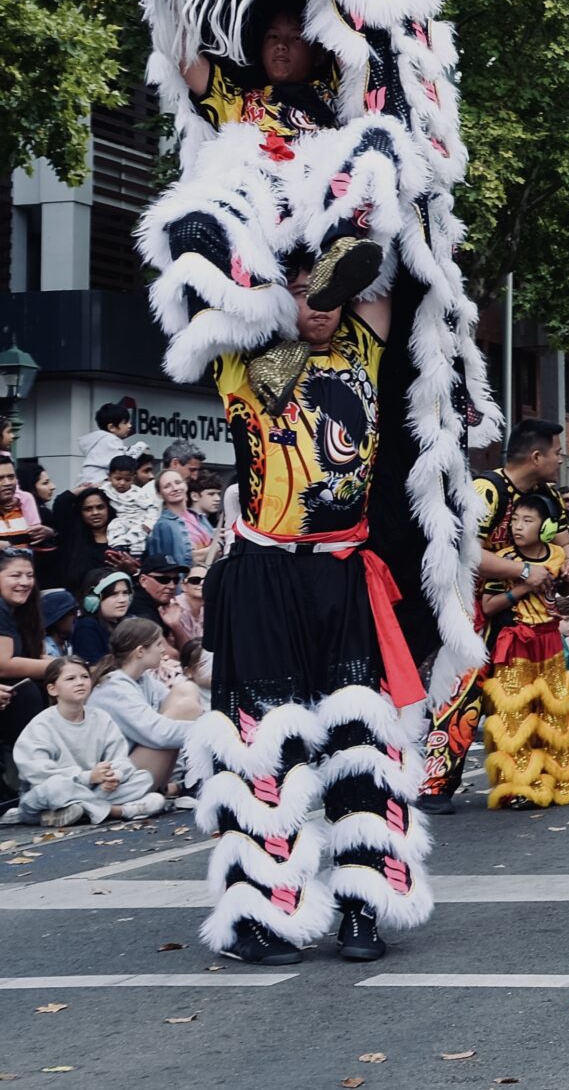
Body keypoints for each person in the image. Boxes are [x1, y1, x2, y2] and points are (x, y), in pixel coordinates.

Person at [190, 269, 429, 967]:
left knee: (362, 742)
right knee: (263, 747)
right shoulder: (244, 357)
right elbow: (213, 281)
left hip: (343, 574)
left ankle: (362, 904)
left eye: (331, 290)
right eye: (302, 291)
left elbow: (382, 253)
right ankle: (257, 916)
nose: (319, 304)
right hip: (264, 574)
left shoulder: (362, 345)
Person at [416, 419, 566, 812]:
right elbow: (467, 554)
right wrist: (524, 571)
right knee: (462, 695)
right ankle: (434, 787)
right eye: (557, 453)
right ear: (536, 457)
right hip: (476, 612)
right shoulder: (487, 490)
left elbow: (565, 544)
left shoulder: (548, 496)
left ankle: (522, 781)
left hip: (528, 618)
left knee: (521, 702)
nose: (561, 460)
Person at [479, 494, 569, 809]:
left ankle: (560, 780)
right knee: (515, 716)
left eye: (528, 521)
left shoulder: (557, 555)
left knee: (555, 714)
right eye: (515, 520)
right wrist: (524, 584)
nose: (518, 527)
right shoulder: (504, 559)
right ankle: (521, 786)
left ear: (546, 527)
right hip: (516, 644)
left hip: (550, 642)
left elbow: (564, 590)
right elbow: (488, 606)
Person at [11, 656, 163, 826]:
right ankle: (119, 811)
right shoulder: (41, 724)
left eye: (84, 677)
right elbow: (38, 774)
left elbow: (120, 759)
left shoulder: (101, 718)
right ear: (53, 689)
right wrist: (88, 777)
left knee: (143, 778)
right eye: (70, 679)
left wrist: (113, 776)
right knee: (55, 787)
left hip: (95, 788)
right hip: (56, 792)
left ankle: (78, 811)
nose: (80, 682)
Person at [91, 617, 201, 792]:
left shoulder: (143, 679)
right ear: (140, 651)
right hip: (115, 778)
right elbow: (158, 734)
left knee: (187, 690)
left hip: (137, 762)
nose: (163, 649)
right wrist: (208, 730)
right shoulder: (114, 688)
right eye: (158, 644)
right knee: (185, 710)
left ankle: (173, 782)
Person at [0, 548, 45, 806]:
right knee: (27, 693)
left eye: (29, 575)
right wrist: (59, 667)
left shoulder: (23, 612)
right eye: (15, 575)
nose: (25, 582)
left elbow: (35, 656)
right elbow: (4, 665)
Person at [71, 570, 135, 663]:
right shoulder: (86, 627)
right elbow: (94, 669)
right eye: (114, 594)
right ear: (93, 599)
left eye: (125, 593)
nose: (122, 600)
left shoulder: (129, 622)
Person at [104, 455, 157, 553]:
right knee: (115, 527)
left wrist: (148, 524)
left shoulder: (139, 493)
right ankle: (118, 549)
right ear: (109, 476)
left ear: (133, 478)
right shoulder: (106, 490)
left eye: (127, 480)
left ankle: (136, 554)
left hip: (137, 520)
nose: (122, 483)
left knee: (138, 534)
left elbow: (152, 509)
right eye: (118, 479)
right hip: (119, 521)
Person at [78, 402, 134, 488]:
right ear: (112, 427)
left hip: (86, 483)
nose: (130, 425)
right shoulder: (111, 440)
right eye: (125, 422)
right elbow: (122, 464)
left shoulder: (99, 440)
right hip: (97, 485)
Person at [0, 454, 48, 550]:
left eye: (11, 477)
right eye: (0, 478)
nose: (7, 483)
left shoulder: (26, 505)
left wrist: (49, 534)